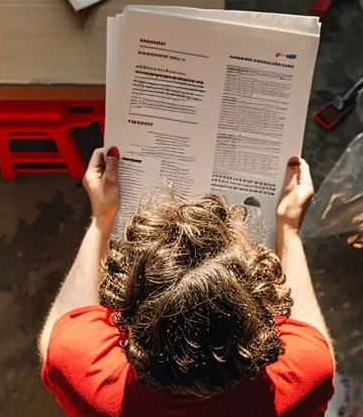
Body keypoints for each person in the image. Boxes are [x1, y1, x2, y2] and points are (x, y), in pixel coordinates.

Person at [38, 147, 335, 416]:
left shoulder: (85, 375)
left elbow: (59, 331)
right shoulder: (302, 380)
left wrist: (101, 221)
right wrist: (289, 231)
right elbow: (313, 339)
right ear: (257, 319)